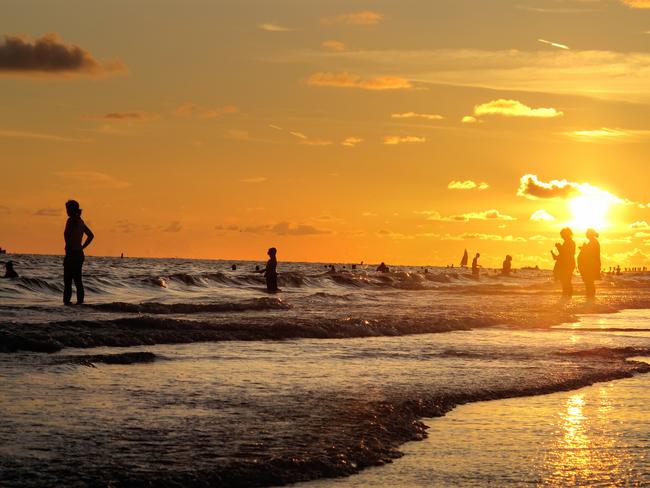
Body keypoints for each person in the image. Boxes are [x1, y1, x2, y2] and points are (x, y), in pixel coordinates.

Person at [63, 200, 94, 305]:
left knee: (68, 281)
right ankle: (80, 304)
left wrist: (70, 246)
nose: (66, 211)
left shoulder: (70, 221)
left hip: (72, 254)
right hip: (79, 253)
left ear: (71, 209)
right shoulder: (80, 221)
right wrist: (82, 247)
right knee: (78, 281)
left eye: (67, 209)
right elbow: (91, 235)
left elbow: (67, 236)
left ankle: (66, 304)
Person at [551, 227, 575, 299]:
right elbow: (563, 255)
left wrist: (559, 247)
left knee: (566, 282)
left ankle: (566, 297)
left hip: (568, 265)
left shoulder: (569, 242)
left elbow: (566, 254)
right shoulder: (568, 242)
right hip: (568, 264)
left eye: (562, 235)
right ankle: (566, 297)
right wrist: (556, 255)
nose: (561, 237)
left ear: (566, 234)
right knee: (565, 282)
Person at [578, 228, 601, 299]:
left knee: (589, 281)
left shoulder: (593, 242)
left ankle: (590, 298)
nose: (586, 234)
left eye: (587, 233)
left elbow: (591, 253)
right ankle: (590, 298)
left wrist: (584, 248)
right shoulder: (593, 242)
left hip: (591, 265)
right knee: (589, 282)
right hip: (590, 265)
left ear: (589, 234)